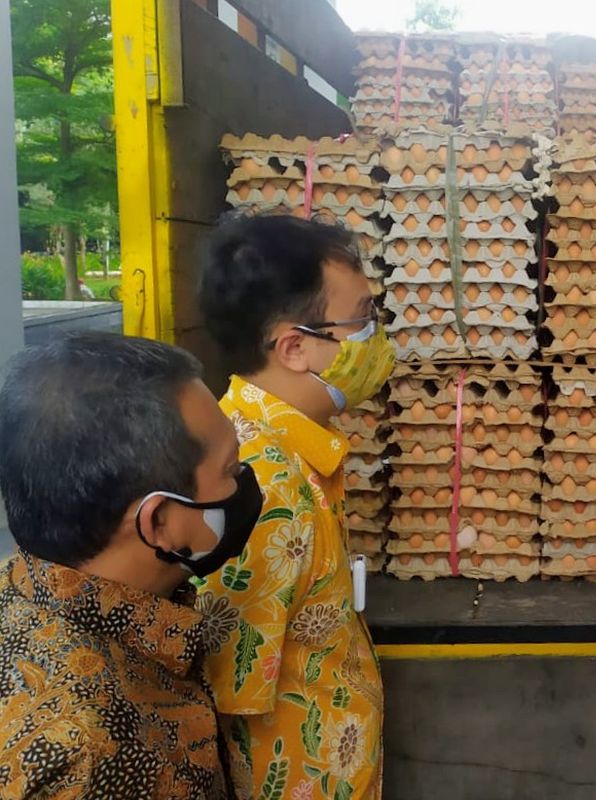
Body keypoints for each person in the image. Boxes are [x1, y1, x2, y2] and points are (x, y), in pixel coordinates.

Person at [0, 332, 260, 799]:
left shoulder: (18, 589)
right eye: (229, 469)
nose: (244, 484)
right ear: (158, 521)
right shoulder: (92, 754)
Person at [195, 214, 394, 799]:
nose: (375, 339)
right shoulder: (260, 482)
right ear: (295, 346)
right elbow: (230, 690)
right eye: (362, 320)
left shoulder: (291, 453)